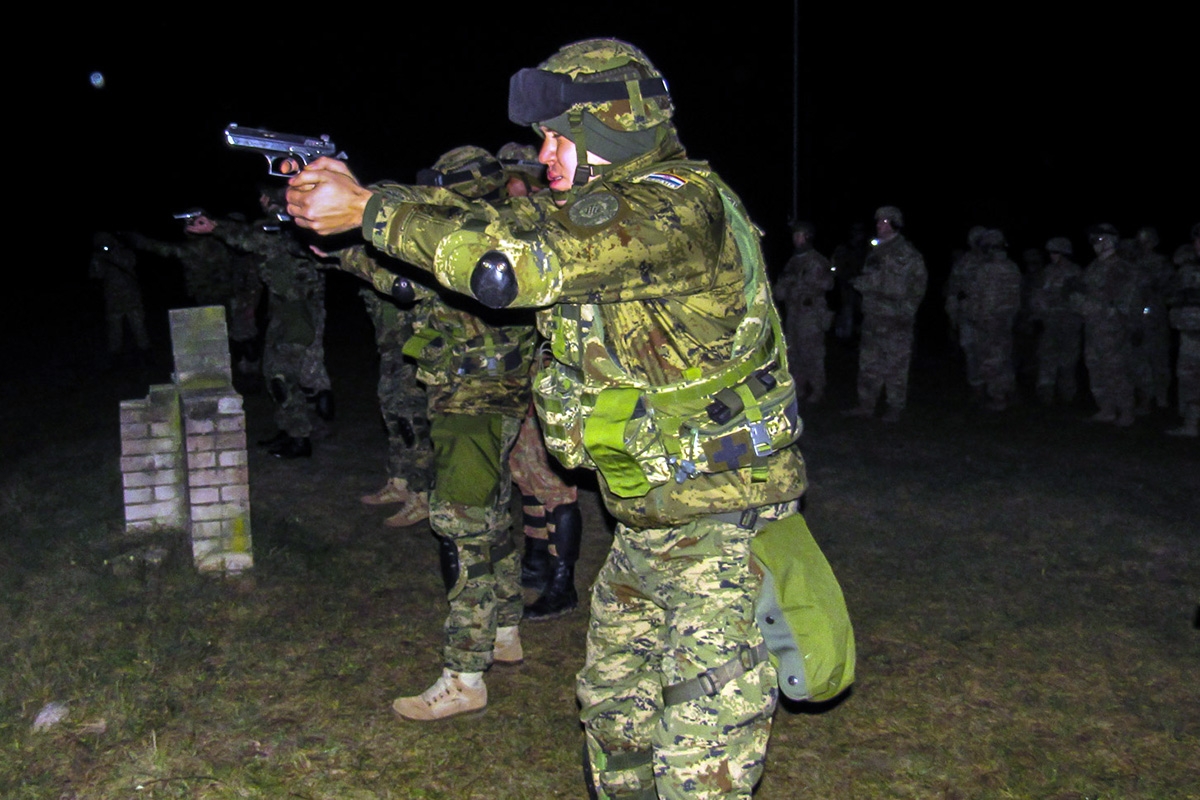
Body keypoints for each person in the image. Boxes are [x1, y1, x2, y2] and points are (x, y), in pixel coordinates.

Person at [284, 38, 808, 800]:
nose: (546, 155)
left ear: (614, 129)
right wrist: (365, 199)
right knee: (614, 717)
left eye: (563, 136)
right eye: (544, 137)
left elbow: (509, 263)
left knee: (702, 764)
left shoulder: (674, 203)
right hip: (650, 525)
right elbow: (493, 223)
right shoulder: (606, 208)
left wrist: (369, 209)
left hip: (719, 528)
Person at [318, 146, 538, 720]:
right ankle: (506, 630)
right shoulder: (503, 233)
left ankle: (465, 676)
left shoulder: (468, 242)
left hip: (471, 403)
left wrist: (345, 254)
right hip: (497, 398)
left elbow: (409, 284)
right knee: (491, 516)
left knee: (462, 531)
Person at [196, 192, 330, 457]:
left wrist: (215, 227)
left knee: (285, 375)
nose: (259, 200)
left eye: (263, 196)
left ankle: (300, 437)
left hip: (297, 310)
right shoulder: (280, 223)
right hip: (282, 308)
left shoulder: (291, 225)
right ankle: (288, 430)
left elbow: (253, 240)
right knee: (274, 374)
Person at [844, 205, 927, 422]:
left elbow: (917, 285)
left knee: (896, 364)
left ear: (895, 225)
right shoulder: (876, 251)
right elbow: (872, 278)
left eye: (885, 222)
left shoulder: (907, 253)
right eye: (878, 221)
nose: (879, 225)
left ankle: (895, 407)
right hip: (874, 316)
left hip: (896, 318)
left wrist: (906, 310)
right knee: (869, 362)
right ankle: (866, 404)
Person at [1074, 223, 1139, 426]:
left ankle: (1126, 411)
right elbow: (1082, 294)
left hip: (1112, 328)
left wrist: (1087, 304)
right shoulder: (1093, 267)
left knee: (1115, 369)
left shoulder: (1122, 267)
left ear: (1111, 240)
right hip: (1093, 326)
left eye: (1099, 239)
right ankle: (1106, 409)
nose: (1094, 244)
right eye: (1093, 240)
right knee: (1095, 367)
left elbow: (1121, 302)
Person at [950, 228, 1022, 410]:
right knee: (1002, 356)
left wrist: (968, 310)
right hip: (1004, 319)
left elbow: (977, 297)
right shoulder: (1012, 267)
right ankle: (1007, 393)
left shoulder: (986, 269)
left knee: (991, 359)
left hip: (987, 319)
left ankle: (997, 398)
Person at [774, 220, 834, 404]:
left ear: (807, 237)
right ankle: (798, 388)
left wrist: (806, 284)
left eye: (799, 235)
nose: (795, 239)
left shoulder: (817, 261)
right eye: (795, 235)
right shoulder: (793, 261)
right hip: (793, 314)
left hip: (811, 316)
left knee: (812, 353)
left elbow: (828, 284)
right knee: (794, 353)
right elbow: (781, 288)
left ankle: (817, 388)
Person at [1029, 237, 1084, 405]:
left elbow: (1081, 299)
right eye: (1051, 252)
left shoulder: (1075, 272)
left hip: (1069, 322)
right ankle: (1046, 393)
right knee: (1047, 357)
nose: (1052, 255)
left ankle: (1067, 394)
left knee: (1068, 360)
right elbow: (1037, 296)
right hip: (1049, 322)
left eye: (1055, 252)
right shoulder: (1047, 272)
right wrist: (1037, 316)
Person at [90, 231, 152, 369]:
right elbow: (96, 275)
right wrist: (98, 259)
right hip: (113, 299)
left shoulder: (124, 252)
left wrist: (112, 253)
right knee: (115, 330)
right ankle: (116, 359)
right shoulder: (100, 257)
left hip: (131, 297)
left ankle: (146, 356)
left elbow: (130, 263)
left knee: (138, 327)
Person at [1130, 226, 1173, 414]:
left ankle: (1162, 397)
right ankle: (1145, 399)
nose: (1143, 244)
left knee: (1159, 358)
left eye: (1147, 241)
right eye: (1140, 241)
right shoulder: (1132, 263)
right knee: (1140, 360)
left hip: (1156, 317)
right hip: (1138, 317)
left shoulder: (1161, 262)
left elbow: (1167, 287)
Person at [1164, 227, 1200, 437]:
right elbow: (1171, 295)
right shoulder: (1186, 269)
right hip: (1190, 331)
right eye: (1196, 240)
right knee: (1189, 377)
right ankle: (1191, 424)